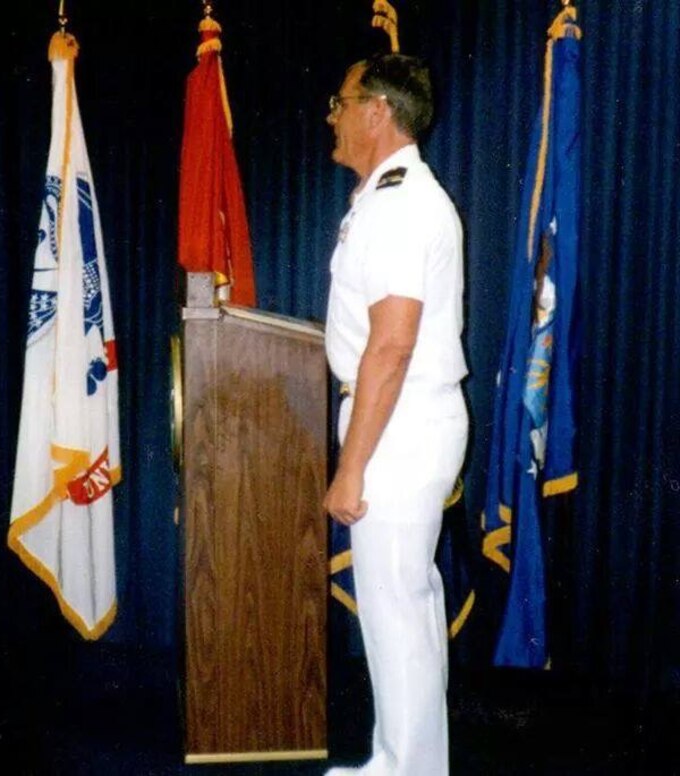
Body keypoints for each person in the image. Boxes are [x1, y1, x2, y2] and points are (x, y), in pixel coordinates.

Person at [322, 54, 468, 776]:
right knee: (403, 605)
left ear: (377, 110)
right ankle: (400, 759)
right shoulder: (385, 197)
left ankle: (409, 768)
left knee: (396, 610)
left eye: (342, 102)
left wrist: (351, 470)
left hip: (398, 427)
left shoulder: (405, 203)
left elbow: (393, 343)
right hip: (399, 420)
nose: (333, 115)